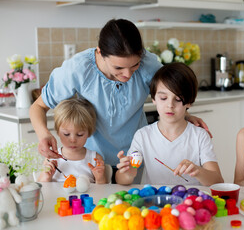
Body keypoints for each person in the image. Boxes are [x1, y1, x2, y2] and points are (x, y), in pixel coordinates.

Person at [29, 19, 210, 182]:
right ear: (100, 52)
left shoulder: (149, 65)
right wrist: (43, 134)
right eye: (118, 67)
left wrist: (185, 115)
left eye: (134, 65)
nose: (127, 74)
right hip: (92, 159)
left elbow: (171, 93)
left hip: (133, 157)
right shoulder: (77, 69)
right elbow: (38, 107)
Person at [115, 63, 224, 186]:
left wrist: (198, 171)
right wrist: (128, 172)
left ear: (189, 102)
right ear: (154, 99)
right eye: (163, 98)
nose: (170, 105)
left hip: (190, 202)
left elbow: (218, 181)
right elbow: (121, 180)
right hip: (156, 202)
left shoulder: (199, 136)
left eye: (177, 99)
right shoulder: (143, 136)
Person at [37, 98, 107, 184]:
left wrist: (100, 178)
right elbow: (41, 187)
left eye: (80, 134)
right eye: (66, 134)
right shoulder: (51, 158)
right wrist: (46, 177)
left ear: (89, 132)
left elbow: (103, 191)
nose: (73, 140)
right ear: (58, 132)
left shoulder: (95, 159)